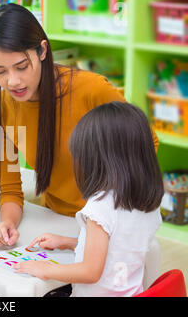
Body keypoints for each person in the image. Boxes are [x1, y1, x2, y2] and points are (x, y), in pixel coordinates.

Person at [0, 3, 159, 247]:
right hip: (54, 220)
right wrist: (7, 222)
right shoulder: (2, 104)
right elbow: (10, 187)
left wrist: (106, 210)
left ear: (42, 50)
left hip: (107, 225)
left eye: (21, 67)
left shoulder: (92, 90)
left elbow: (147, 144)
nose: (13, 81)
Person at [13, 102, 163, 297]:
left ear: (97, 160)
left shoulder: (101, 206)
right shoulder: (147, 202)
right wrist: (68, 242)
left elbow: (90, 272)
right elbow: (120, 248)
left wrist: (44, 268)